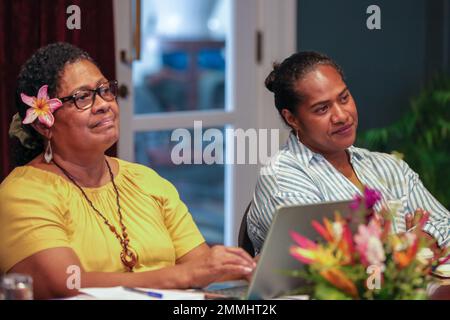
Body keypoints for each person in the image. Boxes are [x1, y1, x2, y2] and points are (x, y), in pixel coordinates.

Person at [0, 42, 255, 299]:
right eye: (82, 97)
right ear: (45, 125)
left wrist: (254, 267)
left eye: (104, 90)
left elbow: (201, 266)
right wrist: (182, 276)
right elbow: (64, 282)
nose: (103, 104)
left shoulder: (145, 180)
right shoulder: (24, 193)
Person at [247, 51, 450, 254]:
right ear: (292, 119)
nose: (341, 116)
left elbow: (445, 225)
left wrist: (413, 241)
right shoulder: (281, 179)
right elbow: (330, 264)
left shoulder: (390, 167)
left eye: (344, 98)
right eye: (322, 109)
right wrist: (410, 242)